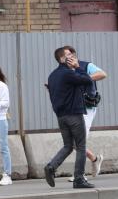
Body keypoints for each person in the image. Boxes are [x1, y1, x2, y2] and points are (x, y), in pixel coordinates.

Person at [43, 46, 95, 190]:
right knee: (81, 147)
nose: (72, 56)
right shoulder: (68, 73)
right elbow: (87, 80)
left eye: (73, 54)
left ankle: (51, 167)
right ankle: (79, 179)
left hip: (61, 117)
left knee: (68, 146)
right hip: (74, 115)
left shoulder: (52, 75)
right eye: (69, 55)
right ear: (61, 59)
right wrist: (78, 67)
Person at [63, 45, 107, 180]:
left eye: (68, 56)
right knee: (74, 143)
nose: (66, 59)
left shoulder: (86, 65)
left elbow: (102, 74)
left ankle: (79, 174)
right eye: (63, 57)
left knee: (79, 141)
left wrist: (84, 77)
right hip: (73, 107)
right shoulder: (64, 70)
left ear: (74, 55)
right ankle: (94, 159)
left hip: (87, 107)